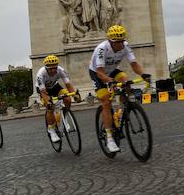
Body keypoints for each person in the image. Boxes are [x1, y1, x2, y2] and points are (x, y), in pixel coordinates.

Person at [89, 25, 151, 153]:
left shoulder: (125, 46)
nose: (121, 44)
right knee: (106, 102)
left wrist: (143, 74)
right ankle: (110, 138)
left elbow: (134, 64)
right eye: (118, 42)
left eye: (122, 41)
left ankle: (125, 107)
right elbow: (100, 72)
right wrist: (110, 81)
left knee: (125, 81)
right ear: (111, 42)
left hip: (111, 70)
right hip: (98, 73)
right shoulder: (102, 49)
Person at [36, 54, 80, 142]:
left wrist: (74, 95)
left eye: (54, 68)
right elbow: (44, 92)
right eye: (50, 69)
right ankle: (51, 130)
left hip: (55, 86)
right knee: (50, 107)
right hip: (43, 90)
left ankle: (65, 117)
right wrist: (48, 102)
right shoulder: (41, 74)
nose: (53, 70)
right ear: (46, 68)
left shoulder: (60, 70)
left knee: (67, 98)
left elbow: (68, 84)